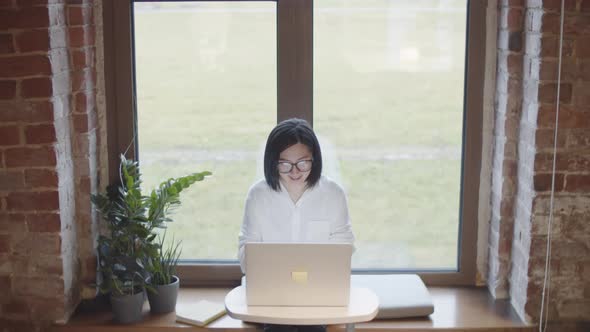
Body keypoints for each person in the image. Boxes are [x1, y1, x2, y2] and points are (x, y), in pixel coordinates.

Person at [237, 118, 355, 332]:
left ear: (315, 159)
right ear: (272, 162)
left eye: (303, 162)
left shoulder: (333, 194)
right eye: (284, 164)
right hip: (270, 298)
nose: (294, 171)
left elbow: (344, 251)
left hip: (320, 296)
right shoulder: (258, 195)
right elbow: (247, 259)